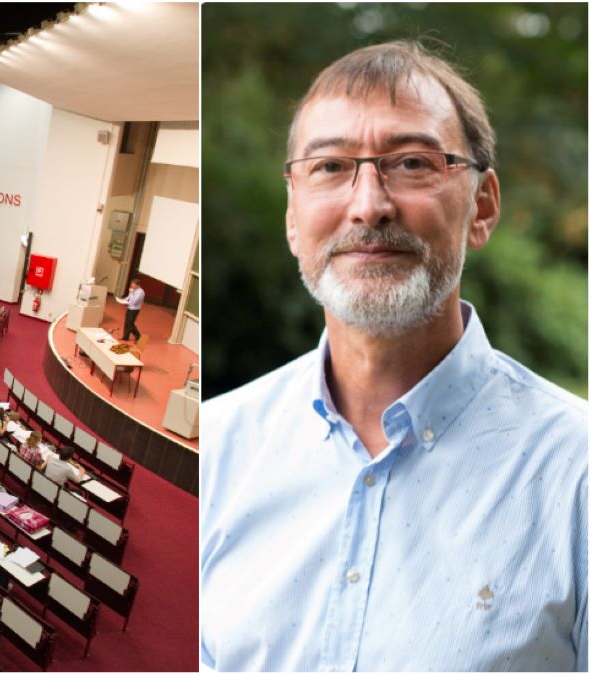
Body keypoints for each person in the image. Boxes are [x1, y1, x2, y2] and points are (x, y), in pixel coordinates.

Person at [200, 41, 586, 673]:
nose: (369, 204)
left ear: (482, 207)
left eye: (411, 163)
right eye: (330, 167)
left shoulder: (577, 477)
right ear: (292, 214)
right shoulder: (218, 447)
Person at [117, 278, 145, 342]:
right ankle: (126, 336)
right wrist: (122, 300)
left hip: (134, 309)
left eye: (133, 284)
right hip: (129, 307)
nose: (132, 286)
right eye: (131, 284)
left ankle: (138, 336)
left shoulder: (141, 292)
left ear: (137, 285)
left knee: (130, 324)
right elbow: (128, 298)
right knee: (127, 322)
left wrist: (132, 293)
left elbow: (134, 301)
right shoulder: (133, 290)